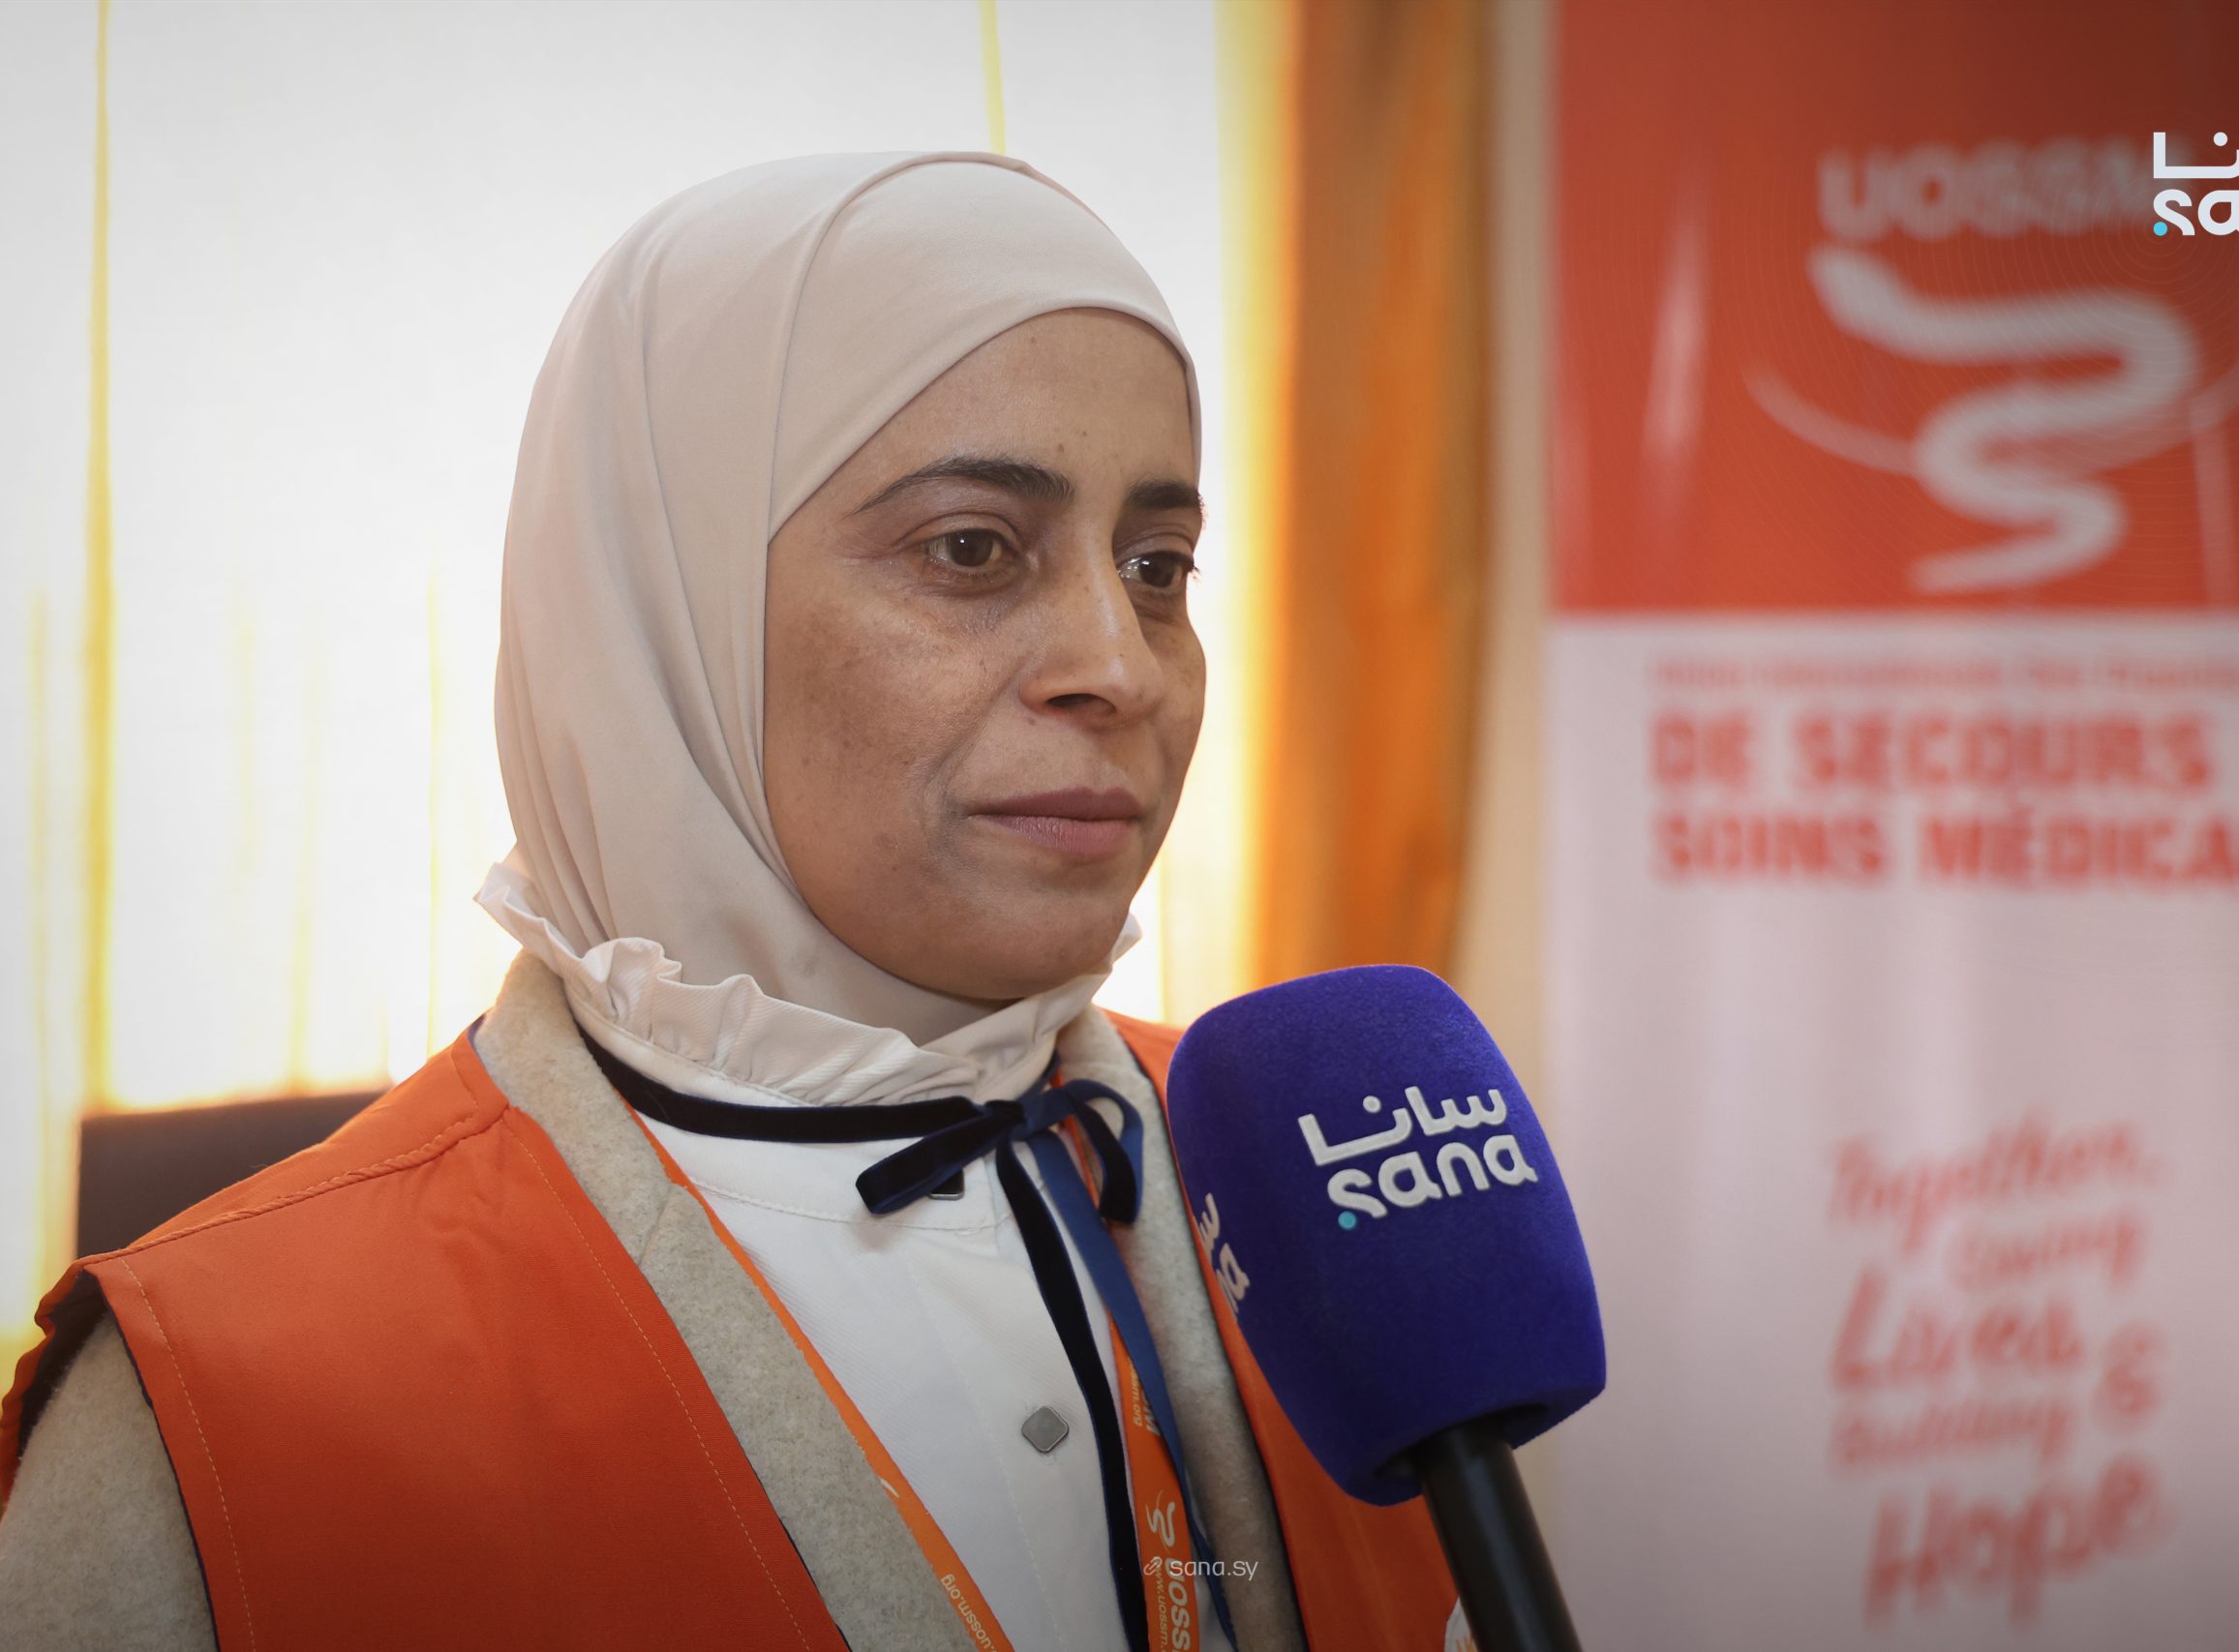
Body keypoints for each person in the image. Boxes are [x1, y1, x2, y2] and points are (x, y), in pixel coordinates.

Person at [0, 153, 1461, 1651]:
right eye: (971, 548)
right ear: (664, 612)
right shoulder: (213, 1424)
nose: (1123, 664)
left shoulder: (1342, 1198)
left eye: (1158, 566)